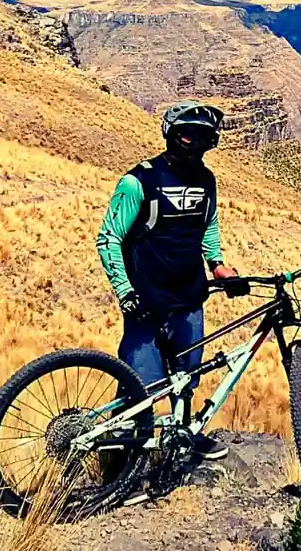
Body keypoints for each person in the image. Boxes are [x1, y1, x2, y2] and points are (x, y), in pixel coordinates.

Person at [96, 99, 239, 469]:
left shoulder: (207, 180)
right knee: (141, 390)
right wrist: (125, 292)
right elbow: (109, 237)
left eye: (205, 137)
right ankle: (117, 469)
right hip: (146, 302)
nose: (196, 143)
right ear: (171, 136)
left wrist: (218, 265)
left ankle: (182, 437)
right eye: (188, 135)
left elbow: (207, 224)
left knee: (186, 378)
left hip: (190, 298)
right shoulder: (138, 182)